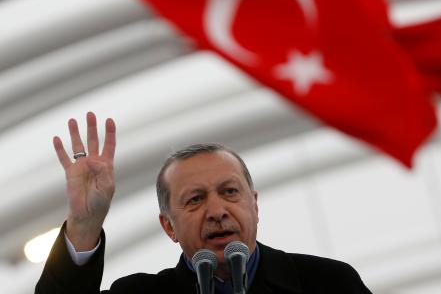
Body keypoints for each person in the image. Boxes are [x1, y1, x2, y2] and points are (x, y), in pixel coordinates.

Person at [36, 112, 373, 293]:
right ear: (169, 225)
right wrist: (84, 225)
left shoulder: (326, 283)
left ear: (254, 206)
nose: (217, 212)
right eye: (195, 200)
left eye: (229, 192)